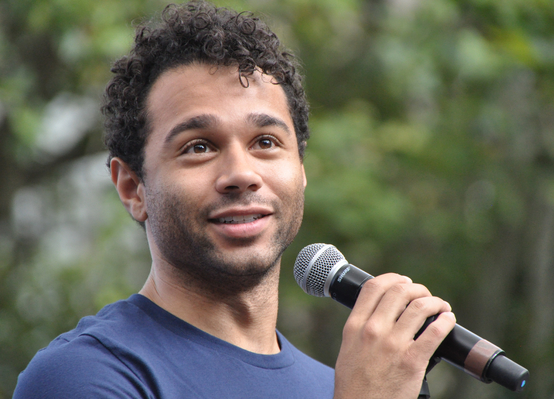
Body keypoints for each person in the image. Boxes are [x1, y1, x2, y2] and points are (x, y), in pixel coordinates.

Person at [13, 2, 456, 398]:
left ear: (301, 169)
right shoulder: (86, 376)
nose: (242, 175)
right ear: (133, 188)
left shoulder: (335, 386)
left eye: (265, 141)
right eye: (199, 147)